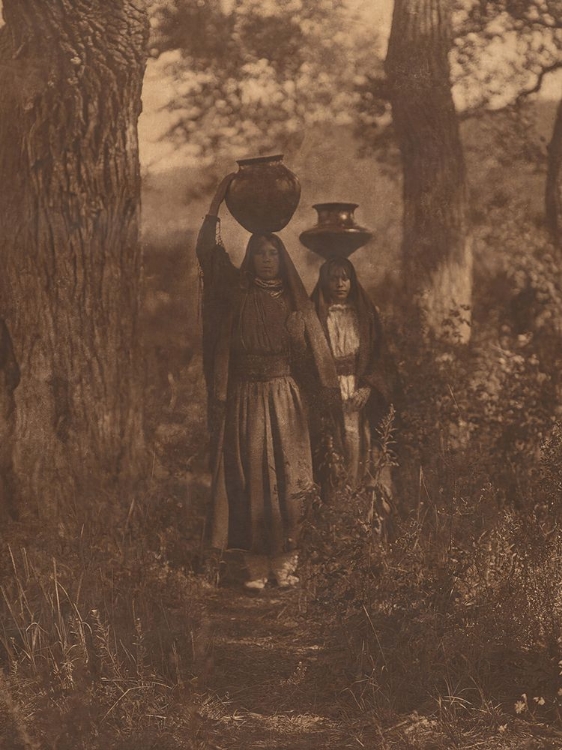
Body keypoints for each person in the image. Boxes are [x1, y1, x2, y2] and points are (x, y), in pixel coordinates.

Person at [196, 175, 339, 592]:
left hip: (286, 399)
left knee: (291, 478)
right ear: (250, 259)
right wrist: (216, 203)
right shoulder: (234, 295)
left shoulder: (297, 305)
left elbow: (315, 361)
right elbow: (208, 254)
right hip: (244, 398)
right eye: (259, 253)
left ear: (282, 259)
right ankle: (255, 565)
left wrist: (324, 406)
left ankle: (287, 563)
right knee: (248, 475)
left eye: (273, 253)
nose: (266, 260)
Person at [310, 256, 394, 489]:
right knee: (332, 448)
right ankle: (335, 507)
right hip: (329, 389)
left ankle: (360, 507)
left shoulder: (365, 315)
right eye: (333, 278)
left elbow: (379, 357)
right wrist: (326, 390)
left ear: (352, 281)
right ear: (324, 283)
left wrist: (367, 388)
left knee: (360, 445)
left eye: (345, 278)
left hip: (358, 390)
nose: (340, 284)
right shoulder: (315, 316)